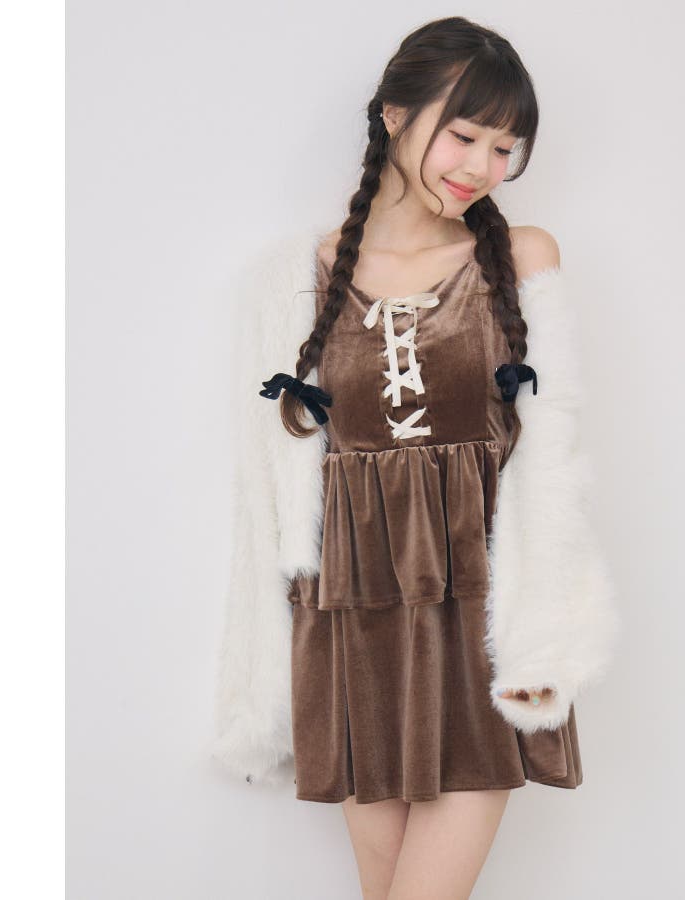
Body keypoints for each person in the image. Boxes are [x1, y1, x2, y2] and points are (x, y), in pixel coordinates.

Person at [212, 15, 621, 899]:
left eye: (504, 148)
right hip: (352, 619)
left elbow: (553, 467)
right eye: (464, 135)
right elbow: (271, 494)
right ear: (395, 115)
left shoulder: (521, 259)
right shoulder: (299, 275)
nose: (481, 166)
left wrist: (548, 632)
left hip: (480, 616)